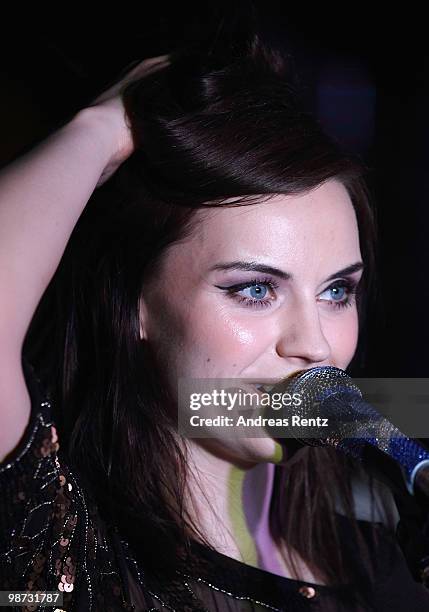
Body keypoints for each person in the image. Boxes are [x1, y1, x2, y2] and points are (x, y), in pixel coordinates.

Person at [1, 34, 429, 612]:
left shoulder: (376, 562)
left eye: (336, 291)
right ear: (135, 305)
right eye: (255, 290)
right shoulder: (60, 540)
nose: (316, 344)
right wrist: (103, 127)